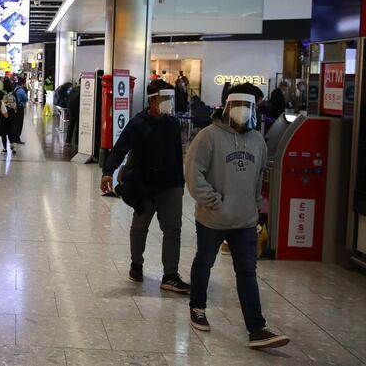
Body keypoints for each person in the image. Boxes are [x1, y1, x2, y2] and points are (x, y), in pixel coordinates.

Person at [185, 85, 290, 349]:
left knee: (247, 272)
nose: (243, 112)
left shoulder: (257, 140)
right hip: (213, 219)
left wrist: (255, 209)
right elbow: (193, 174)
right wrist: (213, 201)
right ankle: (197, 306)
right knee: (204, 262)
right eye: (239, 106)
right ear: (228, 107)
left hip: (244, 222)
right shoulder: (208, 137)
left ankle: (257, 328)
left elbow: (257, 179)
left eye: (249, 107)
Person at [100, 80, 190, 294]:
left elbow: (178, 155)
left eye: (171, 99)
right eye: (165, 98)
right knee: (140, 227)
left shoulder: (172, 123)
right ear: (153, 100)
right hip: (144, 185)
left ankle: (170, 275)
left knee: (173, 229)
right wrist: (107, 172)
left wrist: (180, 182)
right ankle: (136, 264)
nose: (169, 103)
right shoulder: (138, 123)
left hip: (170, 184)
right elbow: (120, 148)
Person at [12, 78, 29, 144]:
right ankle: (17, 138)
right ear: (22, 83)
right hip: (20, 108)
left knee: (15, 123)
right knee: (19, 124)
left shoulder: (15, 88)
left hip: (15, 107)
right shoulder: (21, 90)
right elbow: (26, 98)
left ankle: (13, 137)